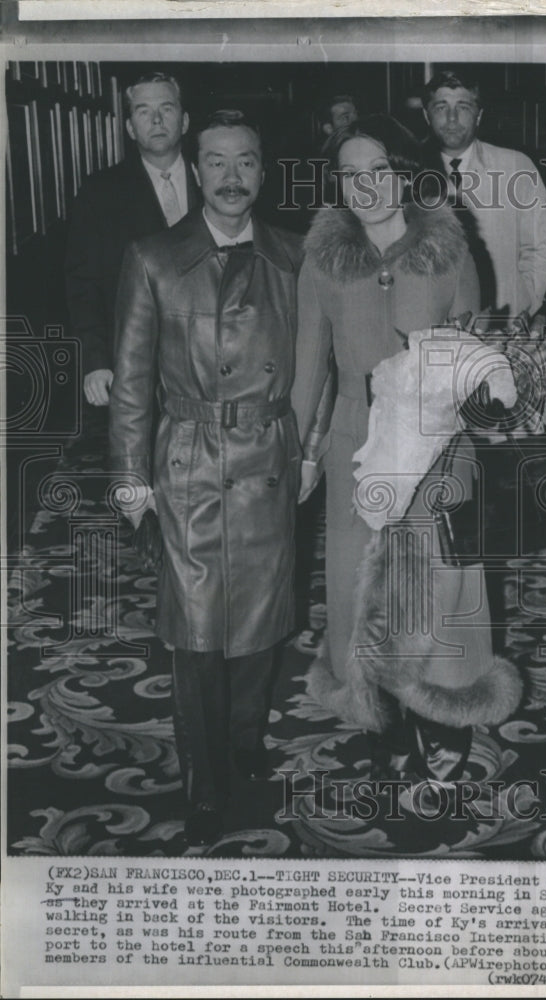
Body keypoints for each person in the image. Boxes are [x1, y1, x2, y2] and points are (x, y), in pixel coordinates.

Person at [292, 114, 522, 784]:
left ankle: (436, 708)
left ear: (406, 173)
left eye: (380, 170)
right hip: (353, 442)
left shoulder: (448, 249)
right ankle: (378, 713)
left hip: (435, 441)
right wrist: (298, 456)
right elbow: (308, 369)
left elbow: (476, 352)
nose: (366, 186)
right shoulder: (321, 258)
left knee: (434, 582)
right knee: (357, 579)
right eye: (351, 174)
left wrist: (492, 412)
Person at [109, 109, 303, 846]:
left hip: (269, 461)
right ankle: (203, 778)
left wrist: (309, 449)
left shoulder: (293, 255)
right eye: (216, 162)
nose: (231, 177)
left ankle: (246, 752)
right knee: (194, 633)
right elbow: (130, 384)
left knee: (261, 625)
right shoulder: (154, 257)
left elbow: (318, 369)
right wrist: (130, 481)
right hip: (187, 462)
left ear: (262, 171)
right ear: (195, 171)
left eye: (245, 162)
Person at [66, 71, 201, 409]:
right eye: (143, 111)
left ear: (184, 121)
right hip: (138, 363)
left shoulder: (214, 179)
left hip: (209, 360)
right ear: (130, 128)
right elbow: (84, 282)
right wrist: (96, 361)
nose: (156, 119)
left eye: (166, 108)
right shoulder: (101, 192)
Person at [422, 69, 546, 318]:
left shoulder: (517, 167)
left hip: (505, 320)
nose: (452, 118)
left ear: (479, 115)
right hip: (433, 324)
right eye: (441, 107)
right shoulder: (406, 174)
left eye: (463, 107)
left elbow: (542, 245)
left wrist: (526, 300)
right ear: (426, 115)